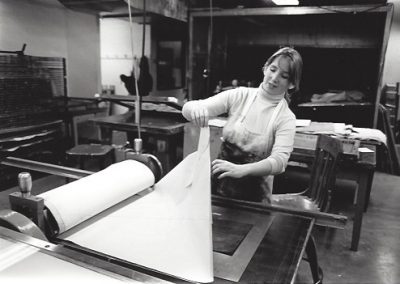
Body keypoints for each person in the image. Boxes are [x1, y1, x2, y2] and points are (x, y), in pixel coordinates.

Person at [182, 47, 303, 204]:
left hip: (255, 201)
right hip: (218, 192)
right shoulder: (240, 95)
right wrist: (195, 111)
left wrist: (242, 170)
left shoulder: (286, 118)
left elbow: (279, 162)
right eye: (273, 69)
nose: (274, 78)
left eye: (284, 76)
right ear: (265, 68)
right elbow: (188, 108)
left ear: (292, 84)